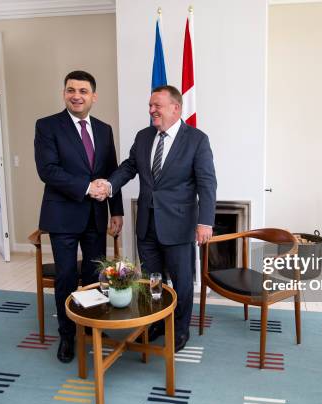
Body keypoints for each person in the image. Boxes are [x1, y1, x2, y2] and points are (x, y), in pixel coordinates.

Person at [93, 85, 217, 352]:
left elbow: (207, 184)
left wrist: (205, 222)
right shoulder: (144, 136)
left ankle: (180, 329)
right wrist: (109, 185)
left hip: (179, 225)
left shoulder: (197, 139)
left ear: (175, 108)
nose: (151, 111)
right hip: (146, 225)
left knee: (182, 282)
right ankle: (156, 322)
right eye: (150, 105)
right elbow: (128, 167)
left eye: (156, 106)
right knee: (152, 280)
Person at [34, 70, 124, 363]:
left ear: (93, 96)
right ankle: (67, 335)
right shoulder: (47, 126)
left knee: (95, 277)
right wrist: (87, 187)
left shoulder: (103, 128)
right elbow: (47, 170)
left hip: (96, 216)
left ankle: (92, 326)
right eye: (71, 90)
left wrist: (117, 210)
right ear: (64, 93)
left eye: (83, 91)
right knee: (66, 277)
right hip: (63, 216)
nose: (77, 95)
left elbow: (112, 172)